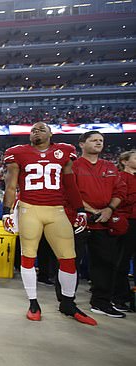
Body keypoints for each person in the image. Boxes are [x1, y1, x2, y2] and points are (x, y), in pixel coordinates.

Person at [2, 122, 95, 325]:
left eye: (41, 129)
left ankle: (68, 303)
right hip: (29, 208)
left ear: (51, 134)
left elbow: (70, 184)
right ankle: (33, 303)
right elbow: (11, 184)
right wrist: (6, 212)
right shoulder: (17, 153)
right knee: (28, 256)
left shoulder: (64, 151)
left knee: (68, 258)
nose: (36, 131)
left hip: (57, 209)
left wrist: (80, 210)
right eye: (33, 130)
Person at [68, 131, 126, 318]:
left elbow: (120, 190)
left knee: (105, 263)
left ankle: (101, 302)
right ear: (82, 144)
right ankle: (66, 301)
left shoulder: (109, 166)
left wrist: (109, 209)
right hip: (79, 221)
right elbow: (71, 192)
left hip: (104, 222)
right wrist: (91, 211)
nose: (99, 143)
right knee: (70, 262)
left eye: (101, 140)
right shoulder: (74, 166)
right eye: (94, 140)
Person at [113, 150, 136, 312]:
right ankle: (119, 296)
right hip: (127, 222)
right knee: (122, 260)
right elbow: (120, 199)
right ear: (125, 161)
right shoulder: (120, 177)